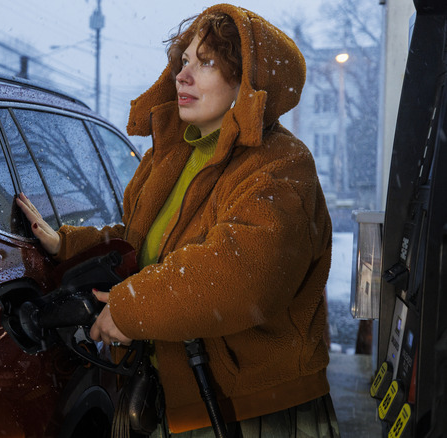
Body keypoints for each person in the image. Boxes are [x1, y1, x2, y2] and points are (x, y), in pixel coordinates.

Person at [17, 3, 337, 437]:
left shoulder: (280, 165)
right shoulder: (171, 155)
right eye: (184, 61)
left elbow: (244, 274)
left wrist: (134, 309)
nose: (182, 77)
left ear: (248, 82)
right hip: (172, 399)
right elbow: (145, 243)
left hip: (252, 410)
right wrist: (70, 245)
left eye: (205, 64)